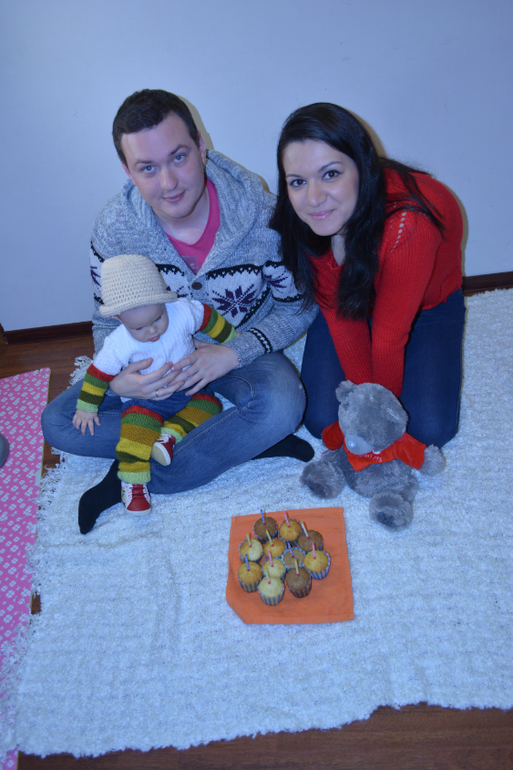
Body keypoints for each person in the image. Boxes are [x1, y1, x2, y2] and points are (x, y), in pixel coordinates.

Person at [41, 89, 317, 529]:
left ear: (202, 147)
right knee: (58, 423)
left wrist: (235, 352)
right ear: (128, 170)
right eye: (147, 168)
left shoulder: (265, 217)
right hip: (155, 368)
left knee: (284, 407)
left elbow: (299, 306)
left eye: (178, 157)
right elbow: (105, 318)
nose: (168, 183)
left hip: (239, 352)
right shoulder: (115, 230)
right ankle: (240, 441)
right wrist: (120, 379)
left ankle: (135, 470)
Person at [270, 102, 465, 448]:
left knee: (428, 430)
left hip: (427, 310)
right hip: (354, 302)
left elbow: (389, 339)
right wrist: (364, 409)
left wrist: (378, 422)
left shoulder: (409, 225)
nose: (313, 198)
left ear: (361, 166)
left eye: (330, 174)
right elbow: (343, 320)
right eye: (297, 182)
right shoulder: (307, 219)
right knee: (322, 420)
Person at [73, 254, 238, 529]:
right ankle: (133, 482)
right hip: (145, 402)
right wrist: (86, 407)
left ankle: (169, 435)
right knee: (134, 435)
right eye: (139, 328)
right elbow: (97, 375)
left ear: (164, 301)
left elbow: (208, 317)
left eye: (158, 318)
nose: (152, 331)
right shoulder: (117, 344)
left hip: (186, 388)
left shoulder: (181, 311)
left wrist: (232, 340)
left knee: (210, 405)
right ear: (117, 318)